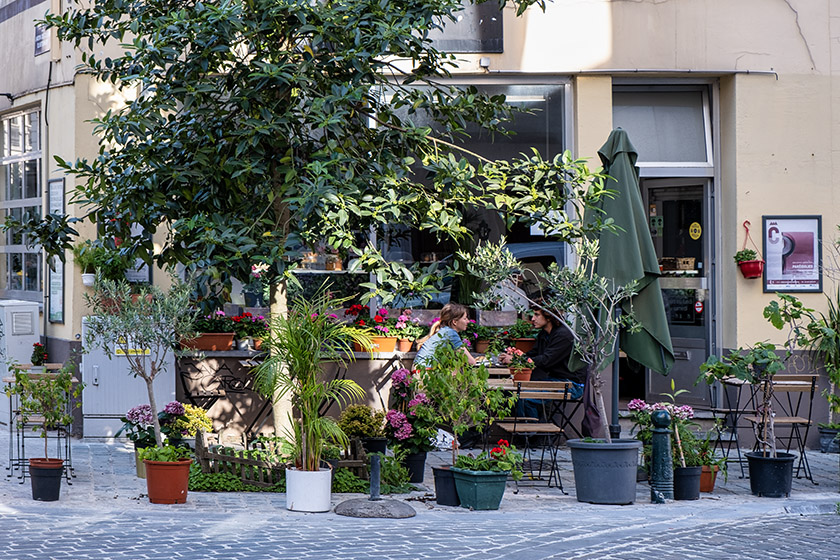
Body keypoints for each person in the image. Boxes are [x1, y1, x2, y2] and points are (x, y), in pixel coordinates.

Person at [499, 306, 585, 418]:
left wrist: (516, 360)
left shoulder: (564, 335)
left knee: (522, 396)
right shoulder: (544, 334)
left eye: (537, 315)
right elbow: (533, 354)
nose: (533, 319)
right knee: (510, 392)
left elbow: (545, 360)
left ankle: (531, 432)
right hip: (554, 380)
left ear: (549, 316)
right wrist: (514, 355)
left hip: (572, 384)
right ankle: (528, 428)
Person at [413, 302, 478, 368]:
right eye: (465, 318)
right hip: (424, 371)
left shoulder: (445, 331)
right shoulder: (451, 334)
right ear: (454, 322)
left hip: (419, 369)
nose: (468, 321)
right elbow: (471, 362)